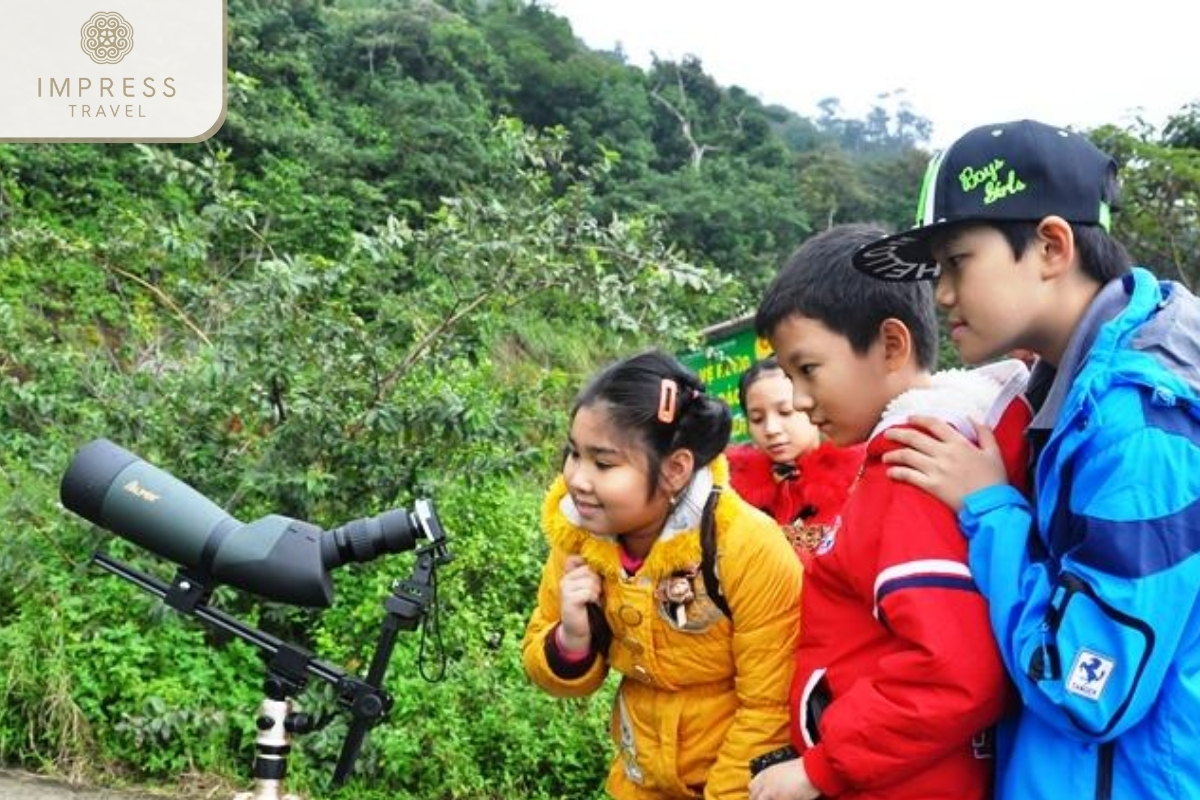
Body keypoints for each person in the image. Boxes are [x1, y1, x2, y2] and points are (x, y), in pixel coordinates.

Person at [855, 119, 1200, 800]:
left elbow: (1085, 686)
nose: (942, 295)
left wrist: (991, 510)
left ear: (1050, 246)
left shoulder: (1139, 428)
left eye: (957, 263)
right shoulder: (1064, 396)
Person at [747, 223, 1031, 800]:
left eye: (808, 369)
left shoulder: (910, 469)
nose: (800, 400)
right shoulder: (941, 443)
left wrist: (819, 769)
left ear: (892, 346)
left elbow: (953, 668)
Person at [521, 349, 803, 800]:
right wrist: (571, 639)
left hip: (736, 780)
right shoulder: (580, 535)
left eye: (604, 463)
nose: (577, 479)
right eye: (574, 454)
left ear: (675, 469)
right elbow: (544, 663)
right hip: (638, 778)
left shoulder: (746, 546)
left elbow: (768, 709)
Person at [725, 356, 864, 554]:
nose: (771, 429)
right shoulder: (735, 497)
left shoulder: (860, 477)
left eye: (785, 412)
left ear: (813, 406)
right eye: (757, 418)